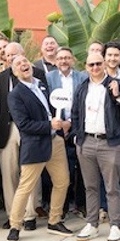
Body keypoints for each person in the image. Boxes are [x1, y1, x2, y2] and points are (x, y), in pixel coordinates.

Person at [70, 52, 120, 241]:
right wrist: (76, 136)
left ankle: (115, 225)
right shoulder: (82, 87)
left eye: (98, 64)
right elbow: (75, 113)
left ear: (104, 64)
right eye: (91, 65)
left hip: (110, 143)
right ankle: (92, 223)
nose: (95, 68)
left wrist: (117, 96)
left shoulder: (116, 84)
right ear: (86, 66)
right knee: (90, 186)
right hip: (87, 142)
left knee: (112, 187)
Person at [7, 55, 73, 241]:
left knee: (62, 182)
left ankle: (54, 220)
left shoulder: (42, 85)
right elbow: (24, 124)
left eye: (25, 61)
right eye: (18, 64)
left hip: (55, 142)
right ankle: (15, 226)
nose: (23, 65)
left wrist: (61, 123)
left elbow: (52, 109)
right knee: (25, 187)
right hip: (35, 145)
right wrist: (49, 125)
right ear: (15, 72)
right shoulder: (15, 95)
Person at [0, 42, 46, 229]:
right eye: (8, 55)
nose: (12, 57)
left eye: (16, 54)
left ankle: (30, 215)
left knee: (30, 172)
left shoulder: (37, 74)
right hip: (8, 129)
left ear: (24, 54)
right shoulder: (0, 77)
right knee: (9, 173)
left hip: (30, 129)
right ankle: (13, 214)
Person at [45, 47, 86, 218]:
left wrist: (71, 123)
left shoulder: (82, 77)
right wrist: (59, 124)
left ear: (72, 60)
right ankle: (60, 208)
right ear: (55, 61)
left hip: (77, 126)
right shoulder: (48, 78)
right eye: (60, 58)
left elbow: (84, 101)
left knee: (82, 169)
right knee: (61, 170)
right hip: (57, 129)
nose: (63, 61)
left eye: (67, 58)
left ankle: (81, 205)